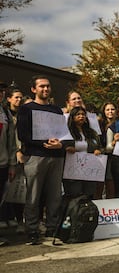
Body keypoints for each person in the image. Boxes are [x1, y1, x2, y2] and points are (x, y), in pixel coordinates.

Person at [17, 75, 66, 245]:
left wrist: (59, 144)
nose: (45, 89)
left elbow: (64, 134)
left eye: (48, 86)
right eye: (42, 86)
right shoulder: (26, 109)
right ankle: (32, 229)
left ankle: (52, 228)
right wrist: (45, 143)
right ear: (33, 89)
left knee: (55, 196)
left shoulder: (57, 110)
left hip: (56, 157)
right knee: (33, 195)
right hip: (36, 156)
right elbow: (23, 135)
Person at [62, 107, 104, 199]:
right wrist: (67, 148)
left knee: (89, 194)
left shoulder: (92, 133)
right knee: (74, 195)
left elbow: (100, 147)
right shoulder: (67, 132)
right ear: (72, 117)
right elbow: (61, 146)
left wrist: (99, 150)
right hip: (73, 171)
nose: (81, 116)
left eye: (83, 114)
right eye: (78, 114)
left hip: (89, 169)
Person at [0, 82, 18, 233]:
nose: (0, 94)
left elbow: (12, 142)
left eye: (2, 91)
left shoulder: (5, 113)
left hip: (3, 164)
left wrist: (12, 164)